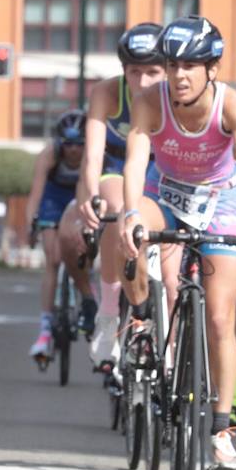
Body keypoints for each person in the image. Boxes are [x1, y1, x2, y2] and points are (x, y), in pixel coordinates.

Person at [119, 15, 236, 470]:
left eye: (191, 64)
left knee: (221, 317)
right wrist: (130, 213)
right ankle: (144, 321)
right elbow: (134, 162)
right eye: (172, 65)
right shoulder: (150, 100)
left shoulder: (235, 106)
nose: (180, 75)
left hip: (220, 199)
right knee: (127, 233)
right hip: (166, 193)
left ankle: (222, 430)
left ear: (213, 68)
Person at [74, 23, 167, 374]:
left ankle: (171, 343)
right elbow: (93, 156)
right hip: (114, 166)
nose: (143, 83)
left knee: (174, 276)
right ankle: (109, 313)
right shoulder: (106, 93)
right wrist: (91, 193)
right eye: (134, 73)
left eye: (153, 73)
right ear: (123, 71)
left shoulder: (177, 94)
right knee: (116, 211)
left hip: (161, 170)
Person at [23, 109, 92, 363]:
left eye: (79, 144)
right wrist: (32, 224)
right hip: (54, 198)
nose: (74, 150)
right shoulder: (50, 154)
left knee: (83, 246)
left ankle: (85, 292)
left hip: (80, 197)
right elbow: (36, 195)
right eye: (69, 144)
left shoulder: (94, 156)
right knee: (53, 258)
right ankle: (45, 329)